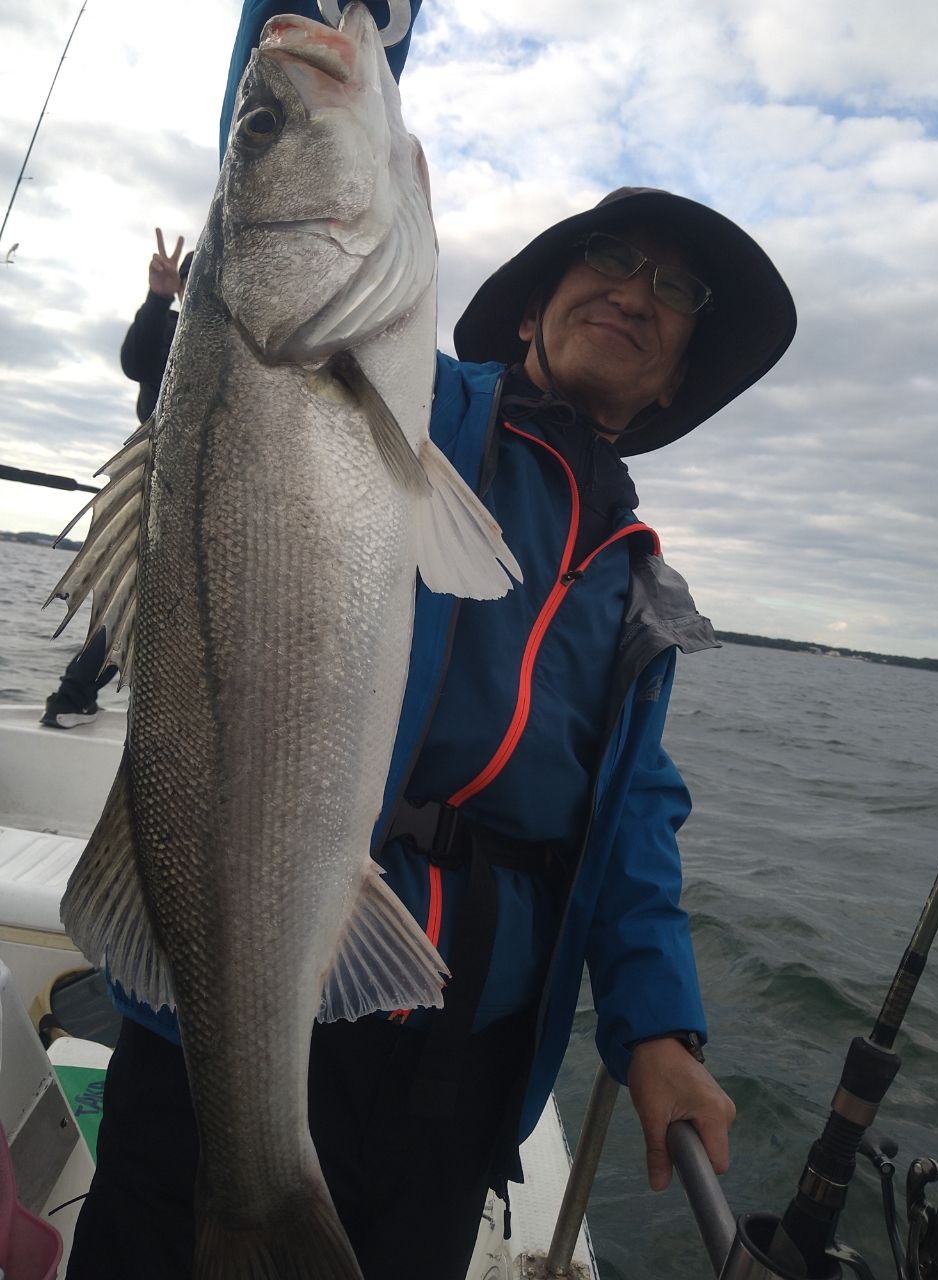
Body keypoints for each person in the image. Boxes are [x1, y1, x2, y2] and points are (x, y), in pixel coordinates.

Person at [65, 6, 797, 1279]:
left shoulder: (641, 590)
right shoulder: (415, 409)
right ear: (524, 314)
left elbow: (630, 821)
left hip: (457, 1069)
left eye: (671, 289)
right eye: (607, 259)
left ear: (678, 377)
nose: (633, 287)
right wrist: (318, 77)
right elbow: (294, 96)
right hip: (239, 990)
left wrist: (661, 1024)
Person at [40, 231, 191, 729]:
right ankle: (73, 693)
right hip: (155, 478)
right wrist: (158, 297)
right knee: (132, 591)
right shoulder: (170, 327)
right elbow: (135, 362)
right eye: (194, 282)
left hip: (204, 487)